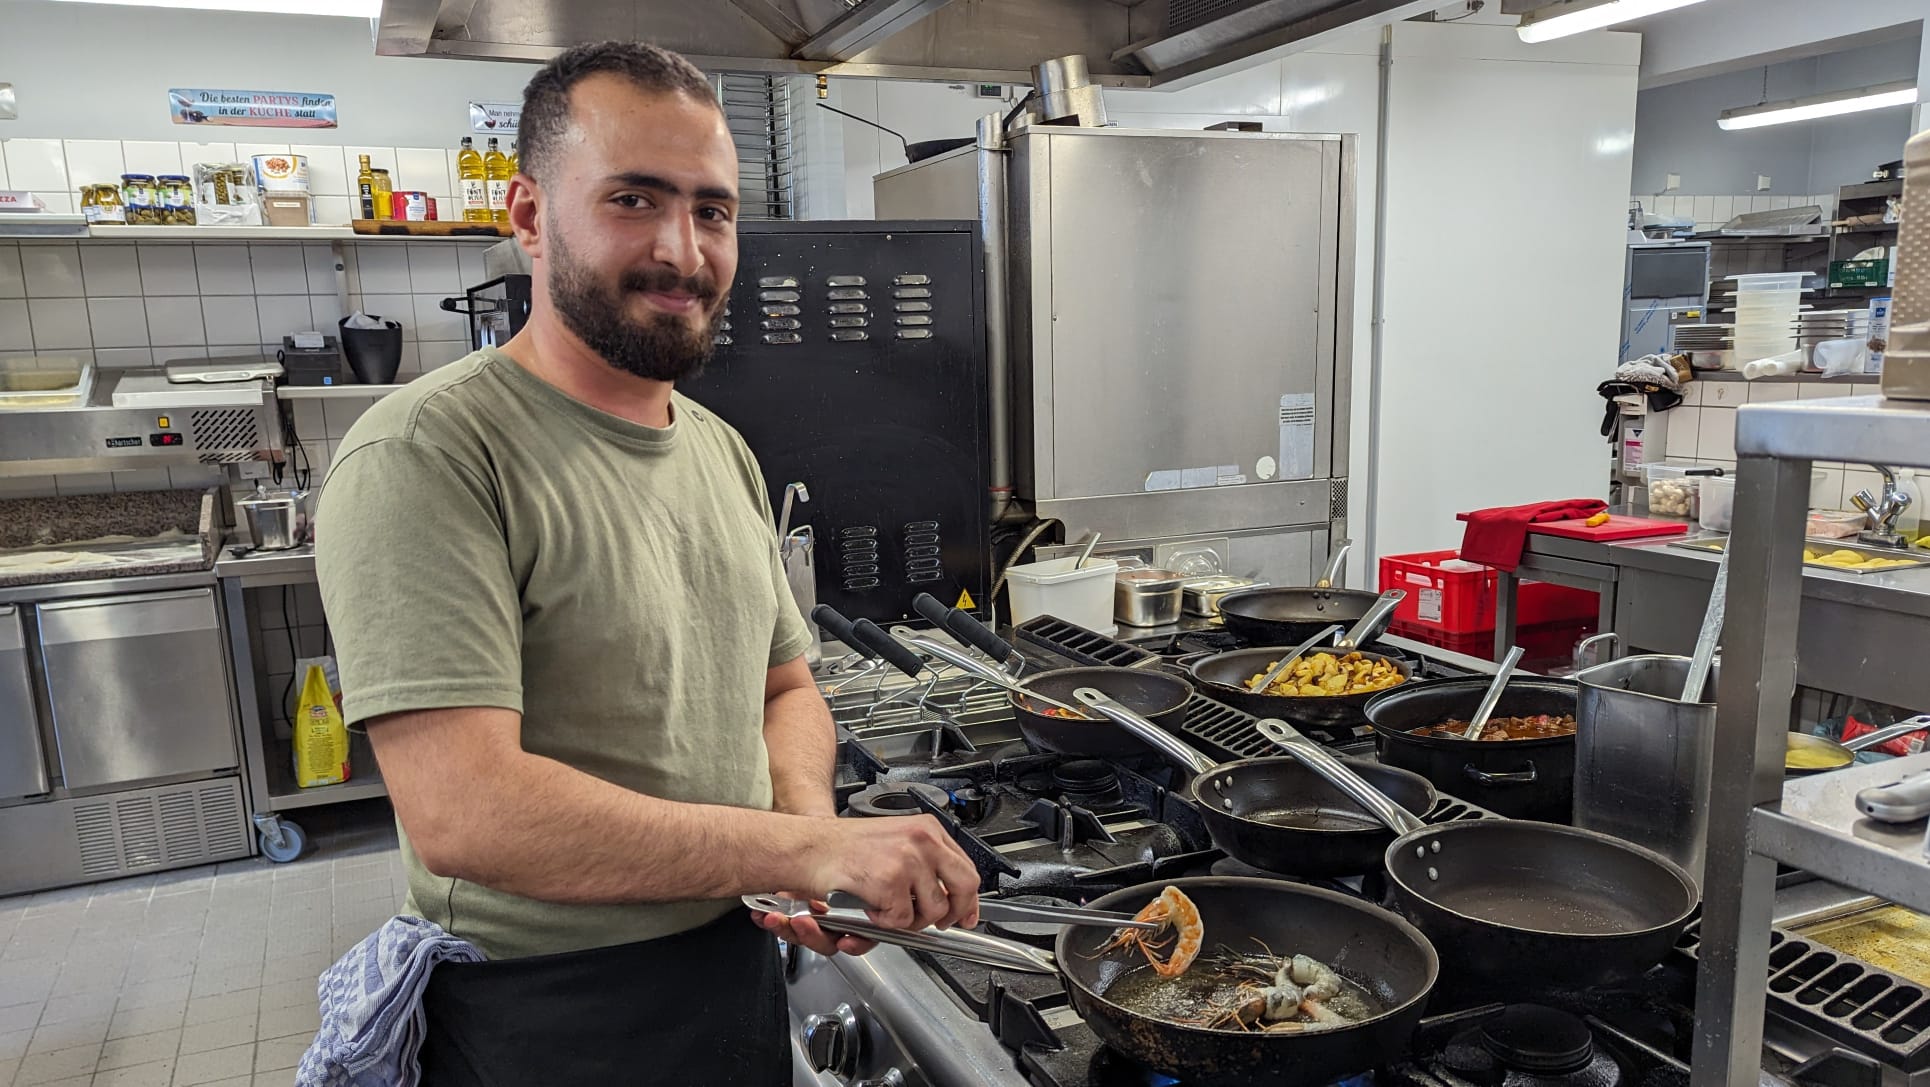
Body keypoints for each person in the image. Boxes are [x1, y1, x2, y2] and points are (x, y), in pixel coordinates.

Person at [314, 41, 980, 1085]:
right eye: (634, 198)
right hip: (553, 1012)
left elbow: (784, 685)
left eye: (712, 211)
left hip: (727, 972)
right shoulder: (431, 452)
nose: (683, 248)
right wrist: (799, 852)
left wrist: (807, 827)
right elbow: (464, 812)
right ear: (529, 217)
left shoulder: (716, 447)